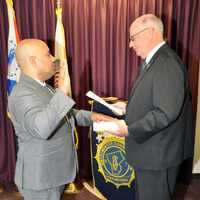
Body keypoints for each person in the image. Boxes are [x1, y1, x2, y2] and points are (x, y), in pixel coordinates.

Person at [8, 39, 114, 200]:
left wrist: (93, 117)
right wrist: (62, 92)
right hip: (41, 179)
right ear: (33, 61)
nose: (53, 59)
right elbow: (42, 128)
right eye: (48, 54)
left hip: (52, 173)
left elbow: (66, 115)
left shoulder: (44, 87)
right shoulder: (22, 93)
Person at [109, 14, 193, 200]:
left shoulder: (166, 63)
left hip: (158, 156)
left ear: (150, 33)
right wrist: (129, 107)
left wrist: (129, 129)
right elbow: (157, 100)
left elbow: (164, 113)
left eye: (133, 38)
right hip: (151, 153)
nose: (130, 44)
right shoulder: (154, 61)